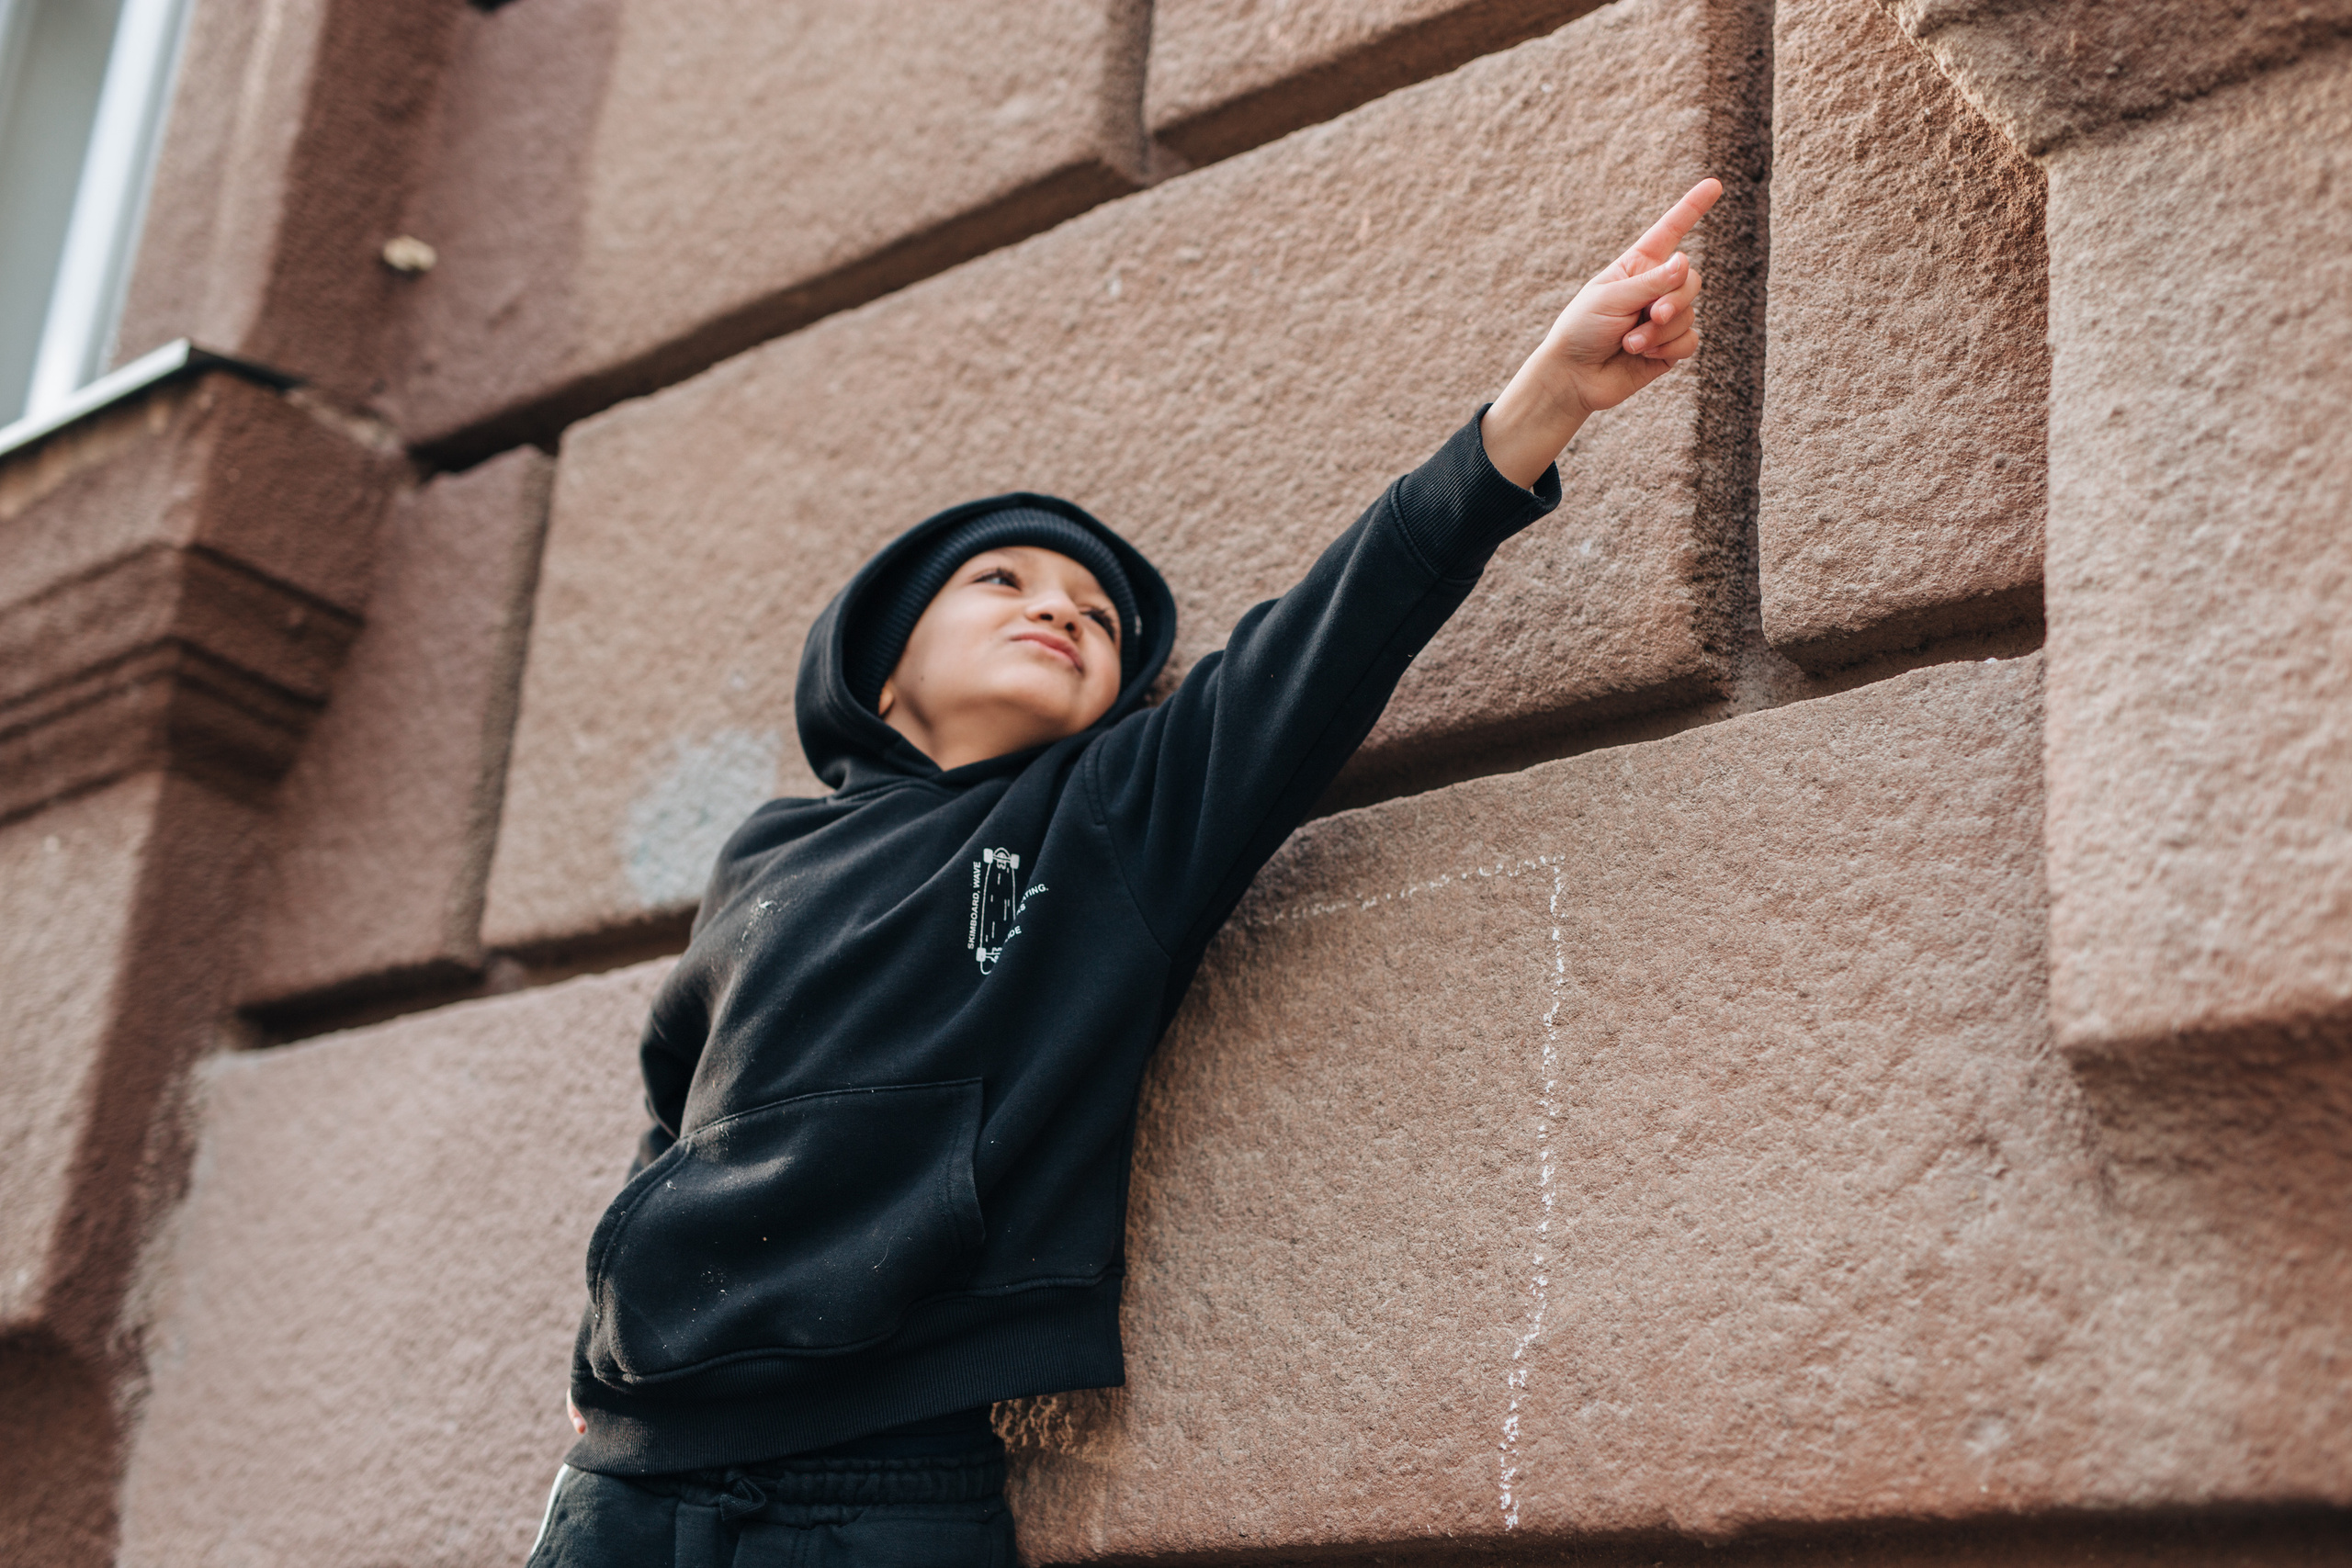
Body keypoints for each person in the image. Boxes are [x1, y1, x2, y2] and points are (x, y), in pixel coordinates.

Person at [526, 177, 1723, 1567]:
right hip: (625, 1472)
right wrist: (596, 1336)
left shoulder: (1104, 816)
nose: (1058, 609)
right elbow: (677, 1107)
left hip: (880, 1483)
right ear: (882, 660)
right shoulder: (764, 857)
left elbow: (1323, 643)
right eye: (1005, 584)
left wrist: (1539, 407)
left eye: (1096, 616)